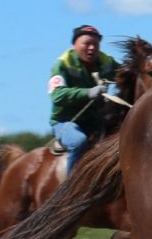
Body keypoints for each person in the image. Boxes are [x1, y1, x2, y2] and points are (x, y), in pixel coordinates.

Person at [48, 24, 120, 174]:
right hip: (65, 122)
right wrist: (88, 93)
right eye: (87, 43)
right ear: (74, 45)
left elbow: (126, 74)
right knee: (78, 141)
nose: (92, 48)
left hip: (96, 120)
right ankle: (70, 190)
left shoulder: (105, 61)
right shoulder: (62, 64)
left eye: (95, 44)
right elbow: (57, 95)